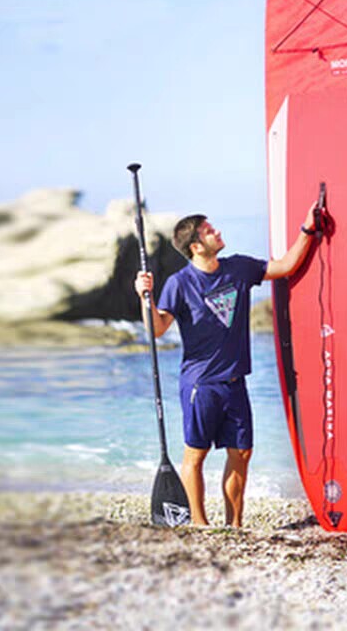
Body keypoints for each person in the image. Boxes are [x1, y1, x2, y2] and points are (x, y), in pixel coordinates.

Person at [134, 204, 320, 527]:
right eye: (209, 231)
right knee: (196, 455)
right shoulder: (180, 283)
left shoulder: (239, 268)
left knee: (241, 453)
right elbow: (157, 328)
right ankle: (200, 524)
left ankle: (235, 525)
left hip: (235, 382)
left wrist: (307, 229)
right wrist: (144, 297)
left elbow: (287, 266)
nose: (217, 232)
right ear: (196, 246)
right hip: (201, 384)